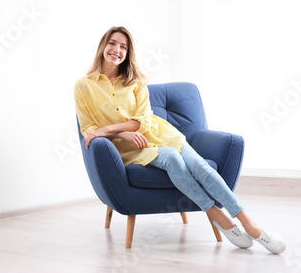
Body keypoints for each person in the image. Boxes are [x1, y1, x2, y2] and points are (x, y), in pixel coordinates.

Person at [74, 26, 286, 254]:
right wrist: (122, 134)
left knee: (199, 166)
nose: (117, 50)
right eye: (112, 43)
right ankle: (217, 215)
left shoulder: (136, 84)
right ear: (103, 46)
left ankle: (248, 223)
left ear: (128, 53)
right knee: (172, 159)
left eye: (123, 47)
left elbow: (143, 122)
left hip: (163, 135)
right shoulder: (83, 86)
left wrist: (110, 129)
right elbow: (89, 128)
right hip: (132, 150)